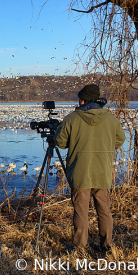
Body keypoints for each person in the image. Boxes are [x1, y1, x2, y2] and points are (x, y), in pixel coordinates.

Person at [54, 84, 126, 254]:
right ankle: (107, 246)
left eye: (80, 99)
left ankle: (80, 248)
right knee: (104, 210)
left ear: (83, 100)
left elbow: (61, 143)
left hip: (80, 173)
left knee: (81, 211)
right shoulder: (111, 119)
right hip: (102, 172)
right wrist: (105, 146)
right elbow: (120, 140)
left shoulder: (72, 119)